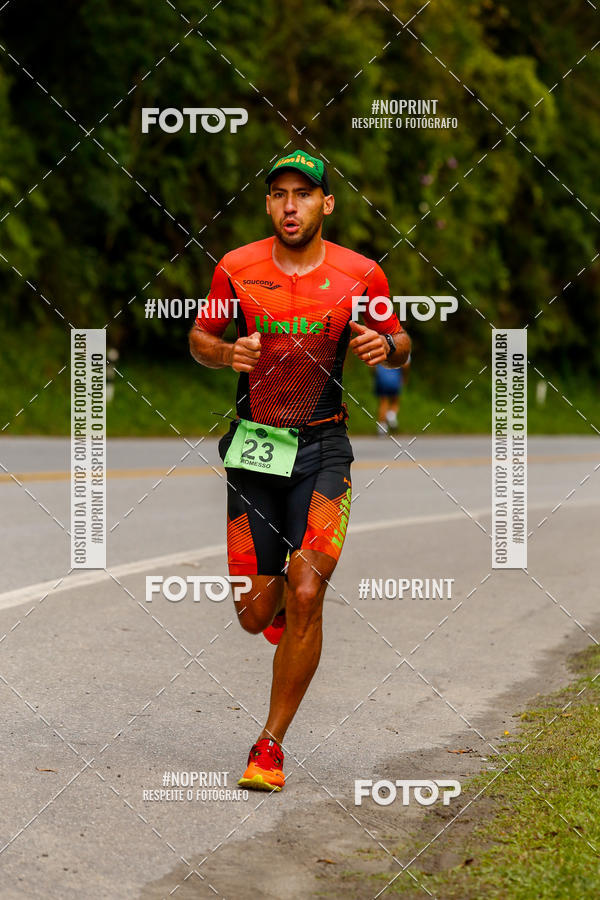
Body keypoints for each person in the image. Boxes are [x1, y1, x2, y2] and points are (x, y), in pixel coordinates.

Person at [189, 150, 411, 791]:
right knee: (255, 614)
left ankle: (269, 746)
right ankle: (279, 602)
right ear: (268, 204)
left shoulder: (359, 274)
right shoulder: (236, 267)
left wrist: (385, 345)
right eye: (280, 194)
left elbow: (399, 340)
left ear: (325, 204)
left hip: (322, 449)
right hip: (255, 449)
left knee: (308, 588)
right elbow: (201, 341)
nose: (292, 205)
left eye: (304, 195)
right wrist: (226, 350)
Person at [374, 355, 410, 434]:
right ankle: (391, 415)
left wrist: (376, 375)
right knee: (395, 400)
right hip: (395, 379)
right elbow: (406, 365)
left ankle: (382, 428)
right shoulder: (402, 345)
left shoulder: (380, 345)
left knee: (383, 402)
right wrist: (404, 376)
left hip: (381, 379)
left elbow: (373, 366)